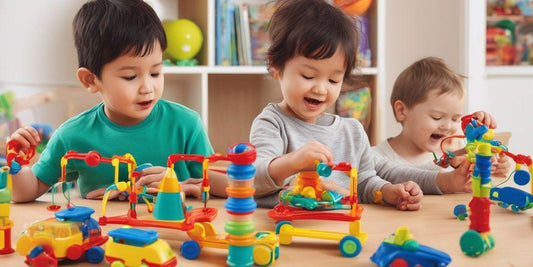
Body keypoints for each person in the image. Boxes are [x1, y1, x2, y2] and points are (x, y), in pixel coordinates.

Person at [9, 0, 227, 203]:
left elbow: (230, 185)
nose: (147, 88)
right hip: (102, 237)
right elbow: (29, 190)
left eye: (155, 73)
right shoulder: (72, 135)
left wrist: (179, 185)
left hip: (172, 236)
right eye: (130, 77)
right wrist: (16, 162)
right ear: (90, 80)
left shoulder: (186, 124)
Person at [250, 0, 423, 211]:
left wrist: (387, 192)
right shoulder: (272, 123)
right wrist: (293, 162)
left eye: (333, 80)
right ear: (276, 67)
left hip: (344, 231)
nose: (321, 89)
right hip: (291, 232)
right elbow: (254, 178)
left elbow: (364, 183)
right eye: (309, 76)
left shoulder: (352, 131)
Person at [372, 57, 512, 194]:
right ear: (402, 111)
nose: (448, 126)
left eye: (455, 119)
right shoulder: (375, 159)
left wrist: (492, 167)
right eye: (437, 117)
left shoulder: (452, 157)